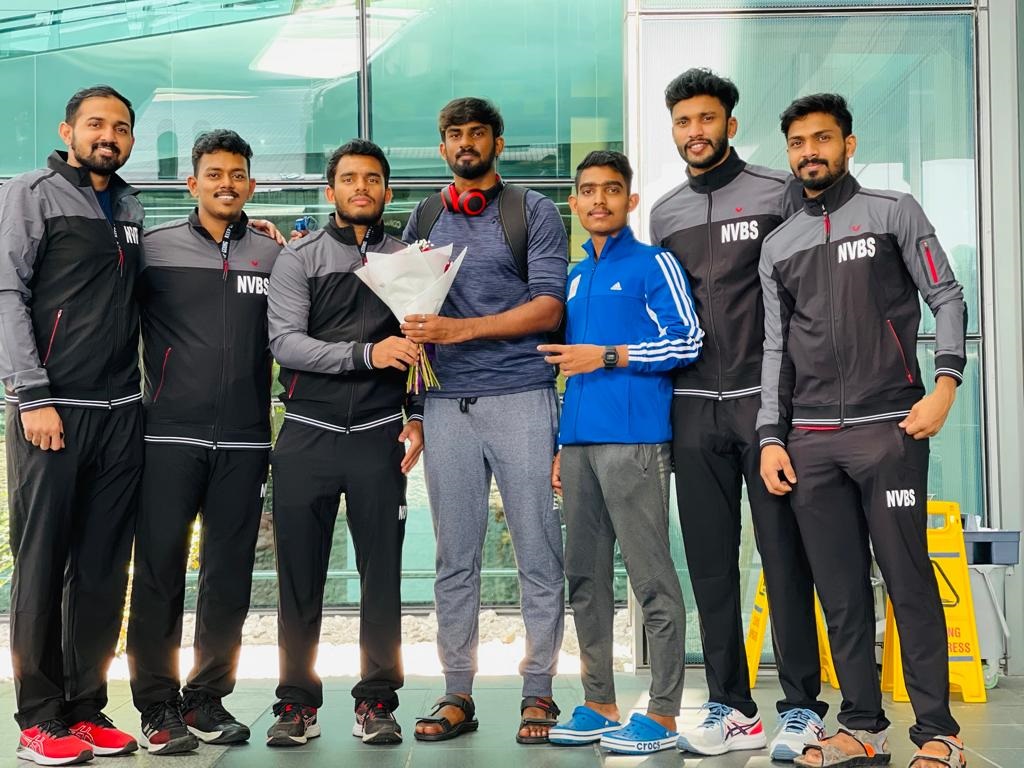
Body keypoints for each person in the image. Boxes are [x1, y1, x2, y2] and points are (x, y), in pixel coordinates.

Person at [758, 93, 967, 768]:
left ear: (849, 144)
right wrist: (770, 436)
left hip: (890, 429)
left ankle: (939, 734)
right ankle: (862, 726)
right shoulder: (778, 246)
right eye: (797, 142)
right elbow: (774, 349)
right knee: (840, 592)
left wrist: (946, 383)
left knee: (907, 580)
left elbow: (947, 295)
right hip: (811, 441)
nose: (808, 151)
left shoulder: (892, 212)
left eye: (822, 139)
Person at [648, 68, 826, 759]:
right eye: (684, 122)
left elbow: (805, 291)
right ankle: (731, 706)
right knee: (712, 566)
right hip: (692, 407)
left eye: (706, 119)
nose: (696, 132)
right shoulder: (664, 214)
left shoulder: (777, 193)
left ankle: (803, 705)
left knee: (785, 559)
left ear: (729, 123)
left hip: (765, 406)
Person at [399, 97, 567, 744]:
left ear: (497, 142)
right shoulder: (423, 216)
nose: (465, 143)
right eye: (453, 135)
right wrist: (413, 409)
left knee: (536, 551)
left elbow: (549, 309)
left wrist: (460, 329)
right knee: (454, 558)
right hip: (445, 407)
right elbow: (410, 313)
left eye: (476, 133)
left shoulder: (534, 212)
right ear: (442, 148)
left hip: (522, 397)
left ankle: (539, 692)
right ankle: (457, 692)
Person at [0, 85, 144, 765]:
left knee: (101, 570)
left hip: (121, 415)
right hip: (52, 413)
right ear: (68, 130)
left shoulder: (132, 205)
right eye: (95, 124)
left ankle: (86, 709)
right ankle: (37, 720)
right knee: (41, 564)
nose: (107, 135)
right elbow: (7, 291)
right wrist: (31, 394)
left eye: (120, 126)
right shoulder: (31, 192)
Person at [125, 129, 282, 754]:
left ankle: (207, 699)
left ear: (250, 184)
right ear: (192, 184)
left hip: (244, 441)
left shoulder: (275, 256)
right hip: (165, 435)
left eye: (237, 173)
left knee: (229, 578)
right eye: (213, 173)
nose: (226, 183)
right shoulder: (152, 251)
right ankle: (157, 707)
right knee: (159, 572)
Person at [541, 151, 702, 754]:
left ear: (630, 200)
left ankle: (662, 713)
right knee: (583, 579)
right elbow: (567, 369)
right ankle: (599, 702)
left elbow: (687, 339)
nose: (599, 200)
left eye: (612, 190)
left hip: (634, 442)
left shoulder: (654, 262)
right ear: (576, 203)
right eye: (587, 192)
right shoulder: (575, 276)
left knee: (651, 579)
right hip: (580, 446)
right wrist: (561, 444)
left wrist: (610, 354)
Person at [265, 139, 424, 747]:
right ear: (331, 190)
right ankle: (296, 705)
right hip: (307, 435)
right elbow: (285, 343)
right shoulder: (298, 258)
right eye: (350, 178)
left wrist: (417, 414)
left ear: (386, 191)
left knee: (380, 575)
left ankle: (377, 702)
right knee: (298, 577)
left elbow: (422, 349)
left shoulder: (411, 260)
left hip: (379, 438)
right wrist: (366, 353)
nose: (362, 187)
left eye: (374, 179)